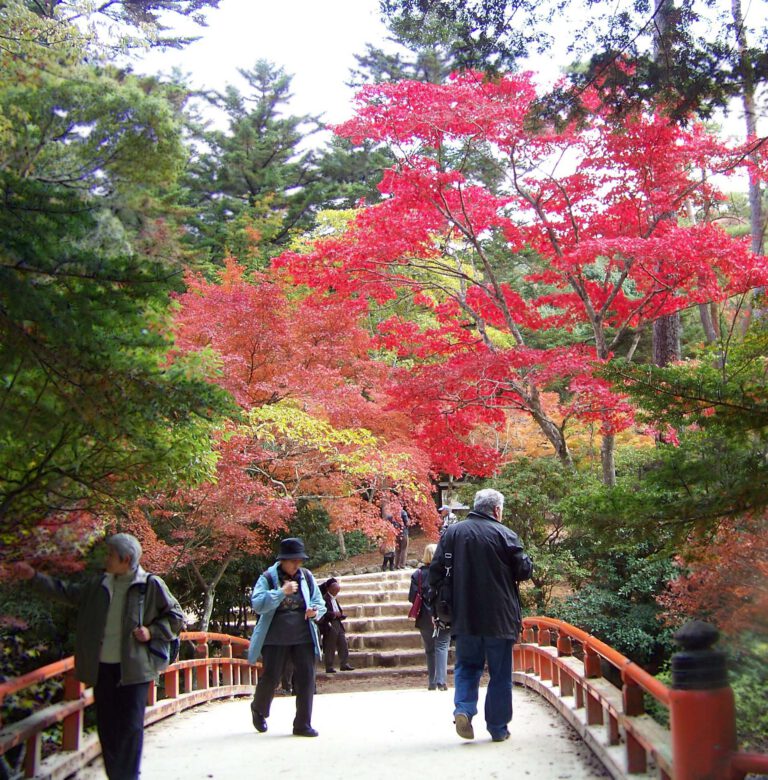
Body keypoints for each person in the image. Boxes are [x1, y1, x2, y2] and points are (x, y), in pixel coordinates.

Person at [14, 533, 184, 780]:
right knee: (107, 729)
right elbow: (67, 592)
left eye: (110, 555)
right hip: (103, 668)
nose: (105, 559)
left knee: (130, 729)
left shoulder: (150, 585)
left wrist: (152, 631)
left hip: (134, 670)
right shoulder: (99, 585)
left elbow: (176, 616)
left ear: (126, 559)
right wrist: (33, 577)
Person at [429, 488, 533, 743]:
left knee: (467, 666)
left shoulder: (452, 533)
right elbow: (523, 570)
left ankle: (463, 709)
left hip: (464, 616)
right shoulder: (505, 534)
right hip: (500, 617)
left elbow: (435, 572)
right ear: (497, 510)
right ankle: (497, 728)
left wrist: (439, 607)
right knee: (500, 674)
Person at [247, 537, 326, 737]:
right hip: (275, 636)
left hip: (303, 635)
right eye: (293, 561)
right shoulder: (268, 578)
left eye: (299, 560)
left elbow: (319, 601)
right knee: (272, 677)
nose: (296, 565)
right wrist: (281, 592)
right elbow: (257, 604)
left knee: (307, 678)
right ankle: (259, 708)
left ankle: (302, 724)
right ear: (282, 560)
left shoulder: (306, 577)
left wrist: (315, 612)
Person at [409, 544, 450, 691]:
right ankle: (441, 680)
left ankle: (432, 682)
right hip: (441, 614)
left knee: (429, 649)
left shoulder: (417, 575)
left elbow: (412, 597)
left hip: (424, 616)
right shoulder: (443, 573)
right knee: (442, 645)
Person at [318, 578, 354, 673]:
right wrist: (334, 614)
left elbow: (339, 609)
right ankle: (329, 666)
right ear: (329, 589)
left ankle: (344, 663)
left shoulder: (334, 599)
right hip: (330, 624)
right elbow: (323, 612)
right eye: (335, 590)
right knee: (330, 645)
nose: (336, 592)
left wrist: (340, 614)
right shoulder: (324, 598)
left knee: (343, 643)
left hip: (338, 622)